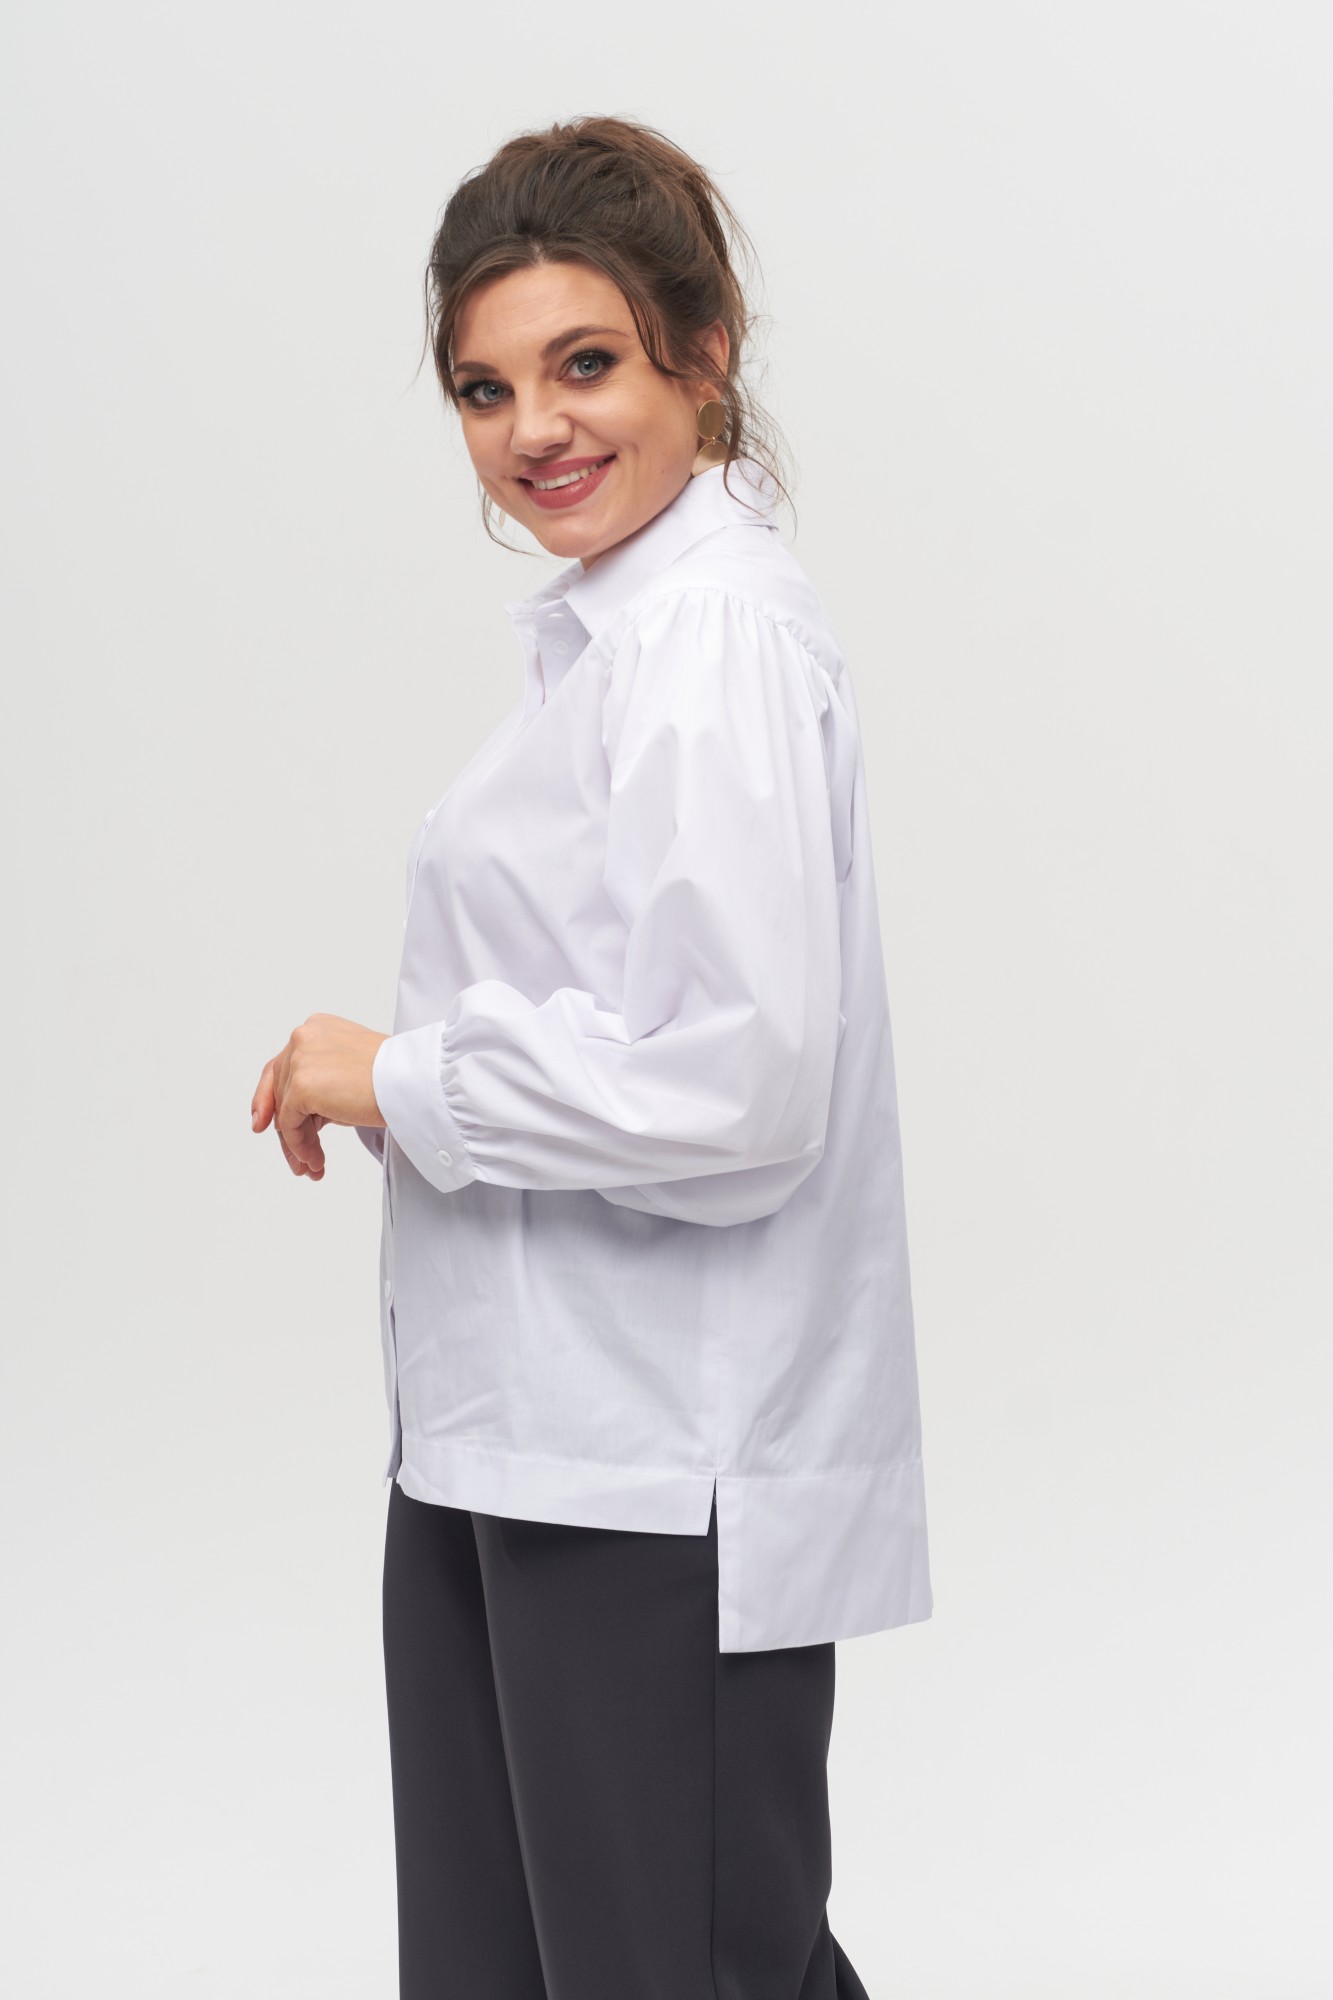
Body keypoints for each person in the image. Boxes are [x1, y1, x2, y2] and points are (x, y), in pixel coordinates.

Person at [251, 114, 932, 1999]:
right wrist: (401, 1086)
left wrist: (401, 1077)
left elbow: (738, 1079)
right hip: (521, 1438)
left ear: (702, 353)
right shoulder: (618, 641)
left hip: (647, 1468)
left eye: (585, 364)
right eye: (485, 387)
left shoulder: (707, 637)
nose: (533, 428)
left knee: (671, 1967)